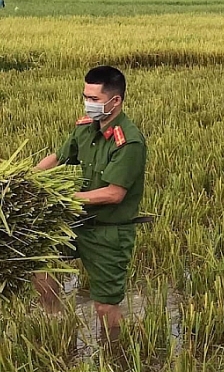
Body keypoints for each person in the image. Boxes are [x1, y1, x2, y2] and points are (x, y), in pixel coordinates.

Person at [32, 66, 147, 341]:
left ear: (115, 101)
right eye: (85, 97)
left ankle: (116, 350)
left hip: (108, 230)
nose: (88, 104)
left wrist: (63, 198)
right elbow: (59, 157)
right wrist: (27, 180)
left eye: (94, 99)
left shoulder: (129, 142)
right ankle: (55, 320)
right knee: (41, 257)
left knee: (105, 306)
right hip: (77, 221)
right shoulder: (85, 128)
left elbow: (113, 194)